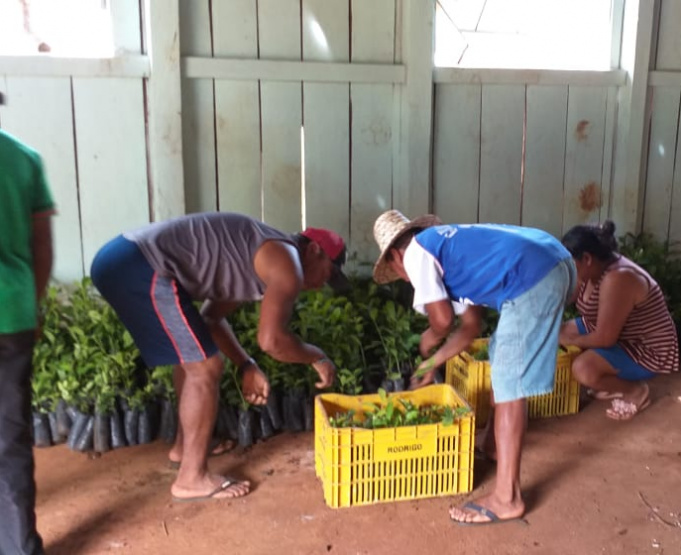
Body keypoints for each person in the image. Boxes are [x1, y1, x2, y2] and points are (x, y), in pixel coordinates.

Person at [90, 212, 346, 501]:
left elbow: (210, 320)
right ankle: (191, 478)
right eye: (330, 271)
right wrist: (317, 357)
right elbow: (272, 341)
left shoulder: (260, 258)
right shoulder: (287, 263)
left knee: (192, 357)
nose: (325, 281)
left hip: (123, 258)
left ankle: (184, 448)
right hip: (137, 263)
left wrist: (246, 365)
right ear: (314, 250)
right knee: (206, 368)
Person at [372, 210, 576, 525]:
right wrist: (432, 363)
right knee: (501, 354)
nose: (405, 278)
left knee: (510, 385)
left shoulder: (416, 253)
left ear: (395, 258)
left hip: (534, 276)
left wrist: (429, 337)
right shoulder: (450, 251)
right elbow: (469, 328)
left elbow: (442, 322)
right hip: (556, 262)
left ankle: (507, 498)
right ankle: (493, 444)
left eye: (398, 273)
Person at [0, 96, 55, 555]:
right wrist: (30, 307)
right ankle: (20, 546)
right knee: (9, 436)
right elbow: (43, 249)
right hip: (11, 314)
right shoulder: (23, 158)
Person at [558, 220, 679, 420]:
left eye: (570, 263)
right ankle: (609, 379)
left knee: (583, 369)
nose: (567, 270)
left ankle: (635, 391)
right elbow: (566, 297)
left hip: (645, 348)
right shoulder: (592, 269)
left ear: (587, 258)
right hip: (619, 333)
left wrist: (568, 341)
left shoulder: (619, 278)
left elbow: (605, 339)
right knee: (557, 331)